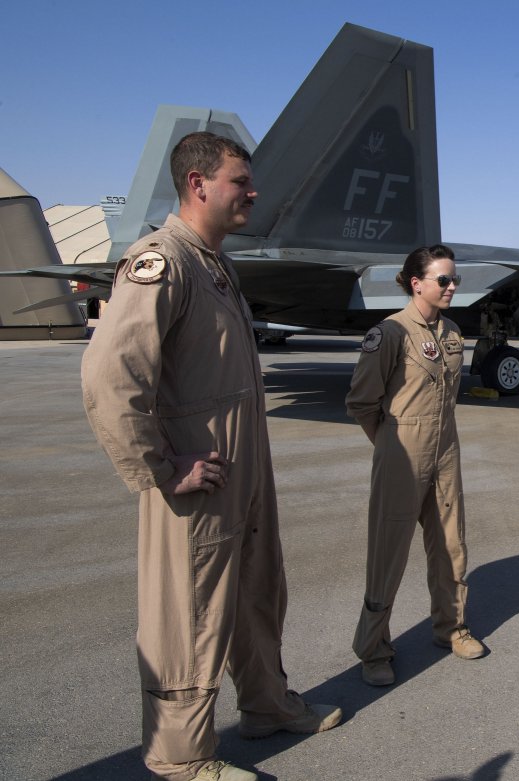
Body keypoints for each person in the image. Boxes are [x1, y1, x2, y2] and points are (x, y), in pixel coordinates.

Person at [81, 132, 341, 781]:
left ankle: (267, 704)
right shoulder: (161, 262)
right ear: (198, 185)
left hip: (242, 472)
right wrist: (163, 469)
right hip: (196, 480)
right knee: (189, 615)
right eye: (239, 181)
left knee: (258, 589)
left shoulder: (216, 265)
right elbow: (110, 378)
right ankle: (181, 755)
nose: (252, 192)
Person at [345, 244, 484, 687]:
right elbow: (362, 402)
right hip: (402, 451)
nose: (451, 287)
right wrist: (391, 443)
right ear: (416, 283)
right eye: (443, 280)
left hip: (446, 448)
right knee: (388, 552)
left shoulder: (452, 333)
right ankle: (372, 649)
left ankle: (452, 627)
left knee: (451, 544)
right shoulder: (389, 334)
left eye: (454, 279)